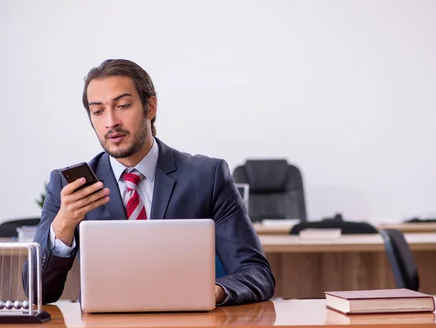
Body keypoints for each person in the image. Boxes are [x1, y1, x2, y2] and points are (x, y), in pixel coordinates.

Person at [22, 59, 275, 306]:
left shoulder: (208, 176)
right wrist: (64, 225)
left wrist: (214, 292)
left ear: (150, 107)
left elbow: (256, 274)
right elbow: (37, 294)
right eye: (98, 111)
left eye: (122, 105)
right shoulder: (70, 187)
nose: (111, 122)